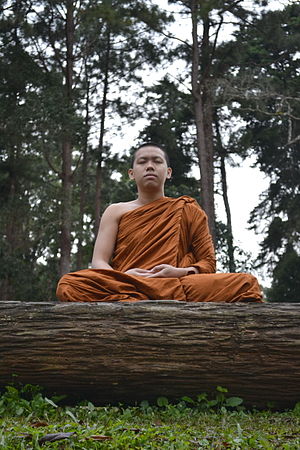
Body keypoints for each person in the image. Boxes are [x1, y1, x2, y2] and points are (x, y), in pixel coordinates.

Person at [56, 143, 263, 303]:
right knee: (68, 284)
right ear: (131, 173)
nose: (150, 166)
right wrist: (124, 276)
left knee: (246, 283)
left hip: (175, 281)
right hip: (128, 283)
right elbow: (99, 262)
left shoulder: (188, 209)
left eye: (156, 161)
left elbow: (208, 264)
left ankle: (138, 300)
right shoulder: (116, 210)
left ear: (169, 172)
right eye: (142, 162)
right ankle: (145, 297)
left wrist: (177, 272)